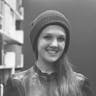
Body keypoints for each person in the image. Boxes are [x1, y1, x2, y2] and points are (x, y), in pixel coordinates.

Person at [4, 10, 93, 96]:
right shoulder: (17, 83)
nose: (55, 44)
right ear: (36, 41)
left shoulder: (80, 83)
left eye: (61, 39)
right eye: (47, 37)